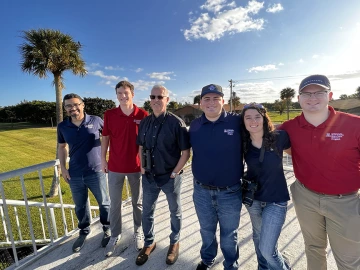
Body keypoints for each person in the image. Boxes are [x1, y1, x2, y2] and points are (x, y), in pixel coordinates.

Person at [278, 74, 360, 270]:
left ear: (329, 95)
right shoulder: (289, 127)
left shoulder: (354, 124)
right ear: (298, 99)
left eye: (319, 92)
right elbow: (266, 137)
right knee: (313, 248)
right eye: (306, 93)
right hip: (306, 197)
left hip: (345, 202)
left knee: (349, 259)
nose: (312, 98)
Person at [135, 85, 190, 266]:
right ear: (150, 100)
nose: (156, 100)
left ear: (167, 100)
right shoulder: (145, 122)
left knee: (175, 211)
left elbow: (185, 152)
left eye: (160, 97)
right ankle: (149, 242)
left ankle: (174, 242)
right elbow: (141, 146)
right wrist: (143, 168)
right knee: (147, 212)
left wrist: (175, 172)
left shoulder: (176, 123)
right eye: (153, 97)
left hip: (170, 177)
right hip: (149, 176)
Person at [189, 84, 243, 270]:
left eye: (216, 98)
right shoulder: (194, 126)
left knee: (229, 234)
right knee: (206, 231)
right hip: (201, 191)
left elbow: (259, 127)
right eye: (207, 99)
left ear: (223, 101)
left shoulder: (237, 122)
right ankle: (207, 259)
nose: (211, 102)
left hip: (230, 192)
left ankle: (231, 264)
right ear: (200, 103)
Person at [57, 93, 110, 253]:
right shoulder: (63, 126)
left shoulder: (96, 120)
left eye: (75, 104)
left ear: (82, 105)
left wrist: (108, 159)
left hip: (96, 171)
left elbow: (109, 138)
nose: (72, 108)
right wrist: (63, 169)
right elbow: (61, 147)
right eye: (68, 106)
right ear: (65, 108)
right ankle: (84, 231)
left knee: (104, 203)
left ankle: (107, 229)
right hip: (74, 173)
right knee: (80, 206)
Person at [241, 103, 291, 270]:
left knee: (268, 249)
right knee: (257, 237)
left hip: (276, 200)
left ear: (264, 118)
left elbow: (299, 153)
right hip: (254, 199)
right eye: (248, 117)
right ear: (244, 121)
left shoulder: (279, 137)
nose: (253, 121)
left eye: (257, 116)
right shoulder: (243, 143)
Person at [101, 81, 148, 257]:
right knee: (115, 204)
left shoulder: (143, 114)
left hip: (136, 167)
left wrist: (144, 164)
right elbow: (105, 138)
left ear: (132, 94)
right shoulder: (110, 114)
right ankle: (115, 235)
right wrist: (103, 160)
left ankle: (138, 232)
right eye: (119, 93)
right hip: (114, 167)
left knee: (138, 203)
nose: (122, 96)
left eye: (126, 93)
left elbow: (145, 143)